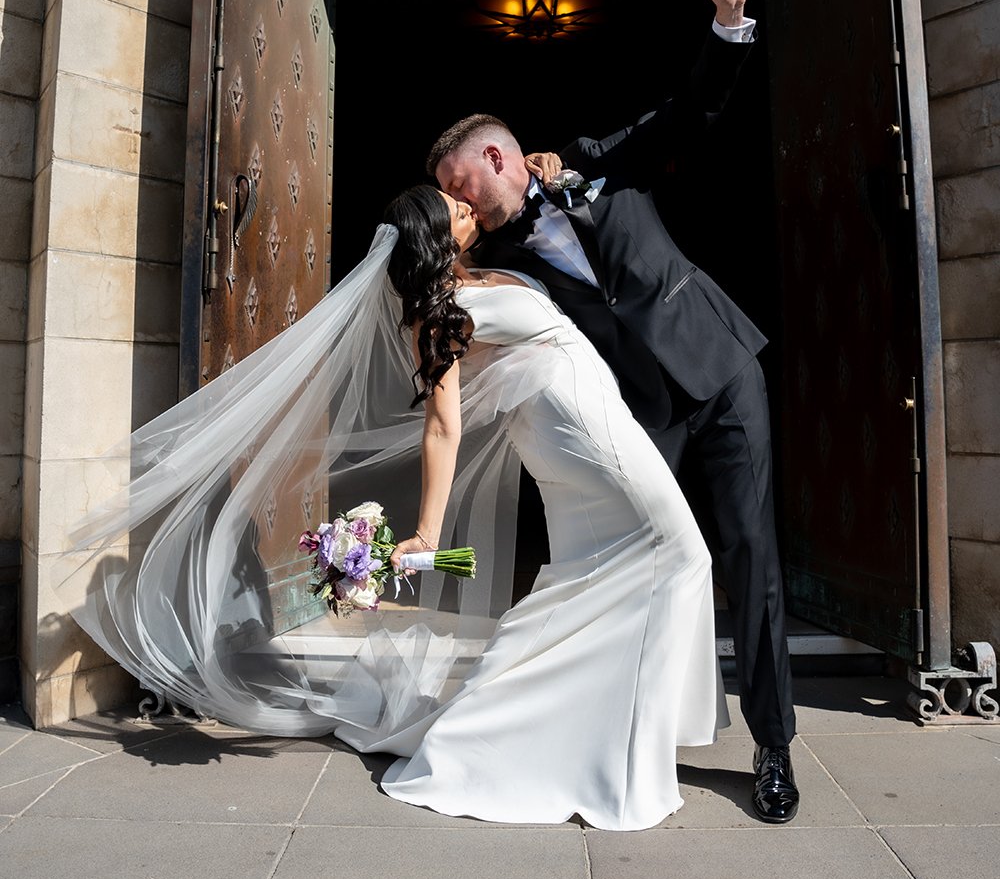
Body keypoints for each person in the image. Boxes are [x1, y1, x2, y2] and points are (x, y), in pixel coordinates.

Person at [56, 186, 723, 832]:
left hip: (582, 429)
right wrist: (427, 532)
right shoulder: (438, 316)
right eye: (449, 209)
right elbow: (442, 424)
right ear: (433, 238)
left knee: (600, 582)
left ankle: (600, 743)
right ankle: (570, 744)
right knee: (680, 556)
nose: (463, 205)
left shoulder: (482, 277)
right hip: (587, 445)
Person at [427, 0, 800, 824]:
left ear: (497, 157)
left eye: (460, 186)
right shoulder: (497, 259)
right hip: (642, 415)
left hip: (721, 366)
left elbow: (689, 112)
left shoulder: (593, 163)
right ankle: (623, 729)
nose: (460, 202)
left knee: (748, 550)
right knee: (641, 556)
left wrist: (729, 26)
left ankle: (773, 747)